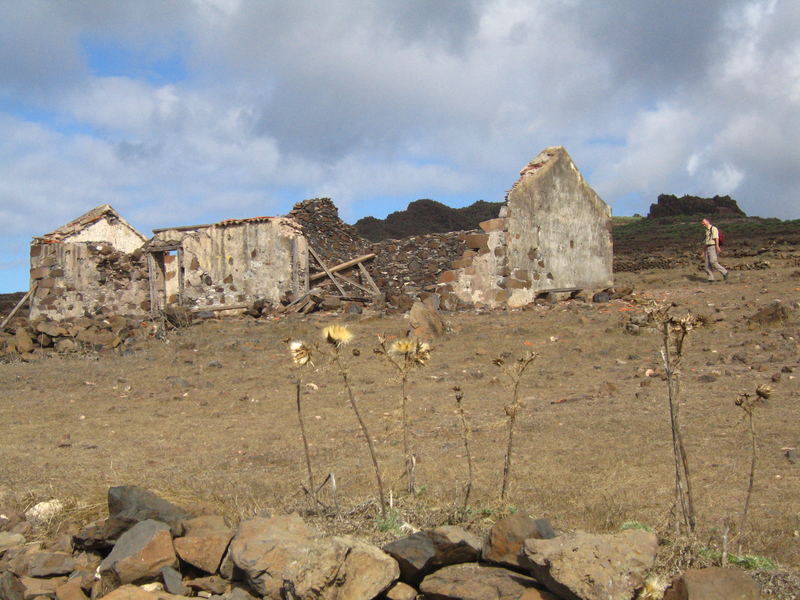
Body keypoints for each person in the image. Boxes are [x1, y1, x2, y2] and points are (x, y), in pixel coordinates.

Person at [701, 218, 728, 282]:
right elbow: (706, 242)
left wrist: (717, 246)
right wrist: (703, 251)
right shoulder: (706, 230)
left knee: (713, 261)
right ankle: (711, 278)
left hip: (712, 247)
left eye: (703, 222)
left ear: (708, 221)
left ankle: (724, 272)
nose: (702, 223)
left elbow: (716, 238)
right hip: (708, 247)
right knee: (707, 265)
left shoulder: (713, 228)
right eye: (702, 222)